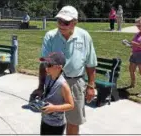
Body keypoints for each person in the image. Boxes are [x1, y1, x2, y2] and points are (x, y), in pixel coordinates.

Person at [29, 5, 97, 135]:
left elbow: (91, 63)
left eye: (66, 22)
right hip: (53, 82)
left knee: (73, 121)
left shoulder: (84, 36)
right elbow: (44, 64)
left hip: (75, 82)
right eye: (59, 21)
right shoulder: (50, 36)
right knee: (51, 118)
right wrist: (40, 87)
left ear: (75, 22)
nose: (61, 25)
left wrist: (91, 85)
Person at [39, 52, 74, 135]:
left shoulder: (63, 85)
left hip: (56, 125)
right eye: (46, 64)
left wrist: (54, 108)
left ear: (59, 67)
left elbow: (71, 105)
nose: (46, 67)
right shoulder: (48, 78)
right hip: (45, 120)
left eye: (49, 65)